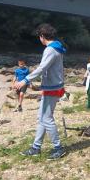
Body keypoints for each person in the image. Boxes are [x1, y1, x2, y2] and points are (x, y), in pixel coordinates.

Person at [16, 23, 67, 160]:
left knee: (46, 118)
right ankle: (36, 147)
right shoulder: (57, 47)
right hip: (54, 86)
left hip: (52, 87)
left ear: (42, 36)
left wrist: (25, 80)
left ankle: (58, 147)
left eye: (39, 36)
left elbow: (42, 68)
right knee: (42, 118)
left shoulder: (50, 49)